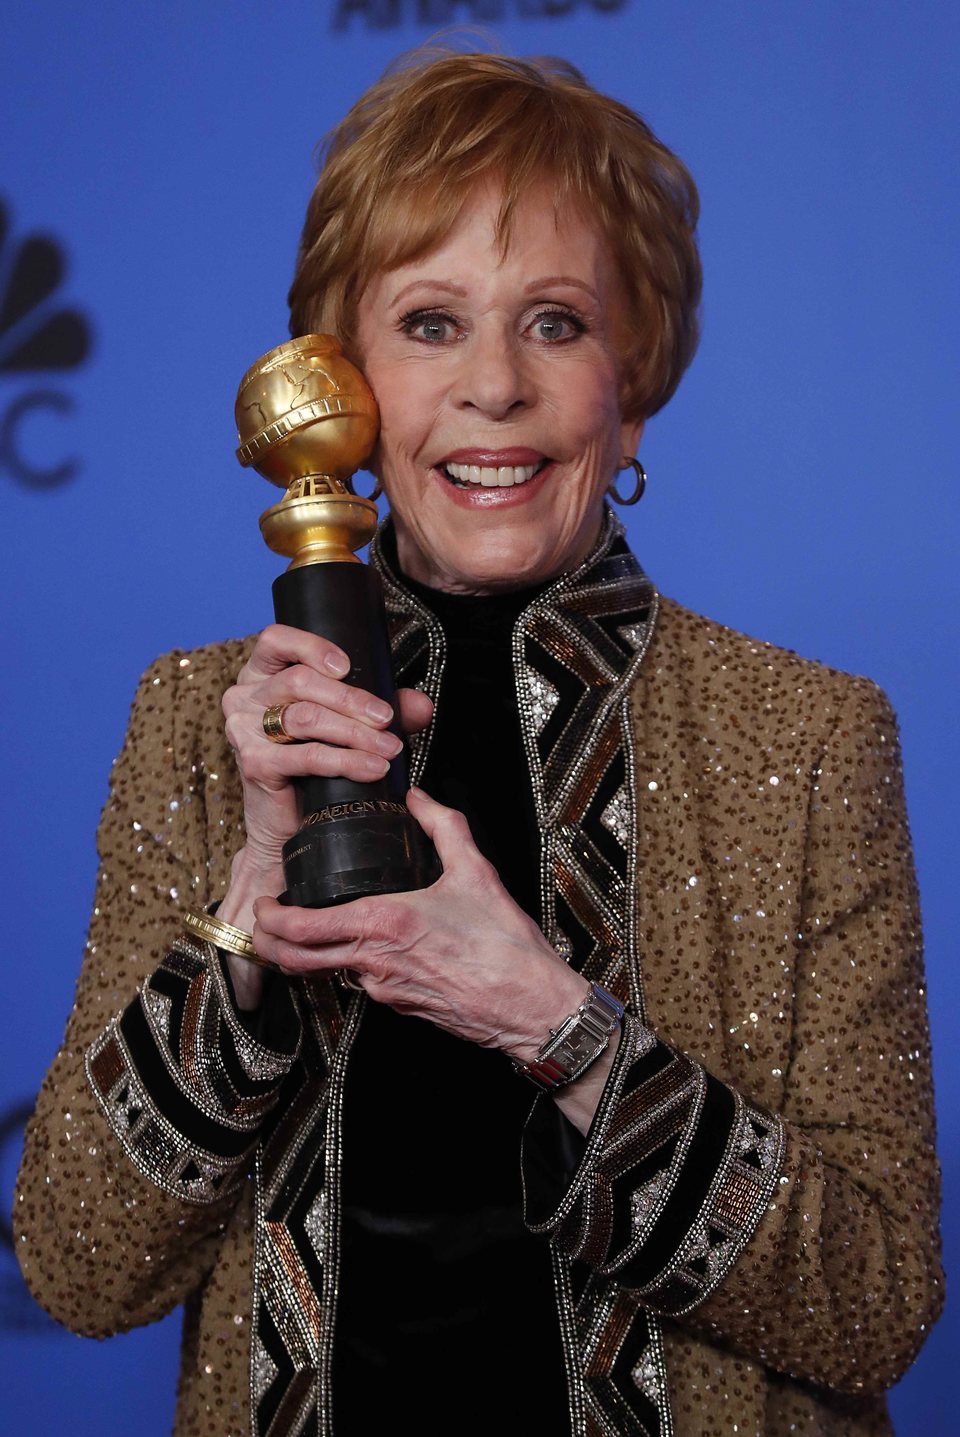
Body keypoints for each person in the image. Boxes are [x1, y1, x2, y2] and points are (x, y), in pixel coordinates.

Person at [15, 51, 941, 1437]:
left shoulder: (807, 737)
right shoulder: (207, 730)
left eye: (556, 322)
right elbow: (78, 1270)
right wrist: (246, 933)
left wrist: (554, 1022)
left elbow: (877, 1301)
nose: (494, 386)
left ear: (634, 382)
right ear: (346, 378)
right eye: (432, 323)